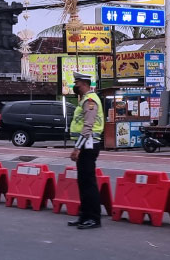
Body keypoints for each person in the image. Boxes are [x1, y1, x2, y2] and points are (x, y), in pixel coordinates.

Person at [68, 72, 105, 230]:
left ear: (83, 83)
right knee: (83, 182)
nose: (75, 86)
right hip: (85, 145)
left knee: (89, 182)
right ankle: (84, 215)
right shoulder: (83, 100)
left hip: (88, 146)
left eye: (76, 83)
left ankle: (93, 218)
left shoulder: (90, 100)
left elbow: (88, 127)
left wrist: (78, 148)